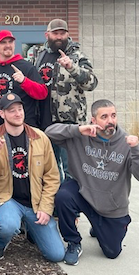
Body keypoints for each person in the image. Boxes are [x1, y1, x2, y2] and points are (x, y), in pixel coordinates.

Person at [46, 99, 139, 265]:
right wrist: (77, 129)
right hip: (83, 194)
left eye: (113, 115)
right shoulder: (81, 135)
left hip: (111, 207)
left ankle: (98, 227)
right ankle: (74, 242)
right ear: (93, 120)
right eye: (104, 116)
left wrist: (137, 150)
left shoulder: (126, 143)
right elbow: (49, 133)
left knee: (112, 252)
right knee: (64, 195)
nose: (110, 121)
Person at [0, 93, 64, 263]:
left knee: (56, 255)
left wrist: (46, 207)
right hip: (8, 199)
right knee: (8, 226)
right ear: (2, 114)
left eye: (20, 109)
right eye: (12, 110)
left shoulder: (39, 137)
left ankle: (32, 231)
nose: (17, 114)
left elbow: (52, 176)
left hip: (35, 202)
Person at [33, 19, 98, 181]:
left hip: (70, 123)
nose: (59, 37)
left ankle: (72, 205)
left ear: (68, 34)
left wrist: (72, 67)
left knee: (72, 170)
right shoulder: (39, 55)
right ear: (47, 35)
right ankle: (54, 206)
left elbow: (91, 83)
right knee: (49, 171)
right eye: (55, 33)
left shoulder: (78, 56)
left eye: (63, 33)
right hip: (45, 122)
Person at [0, 30, 47, 129]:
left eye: (10, 42)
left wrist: (24, 81)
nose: (7, 45)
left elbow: (43, 93)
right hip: (1, 130)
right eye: (3, 42)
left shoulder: (26, 67)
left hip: (26, 128)